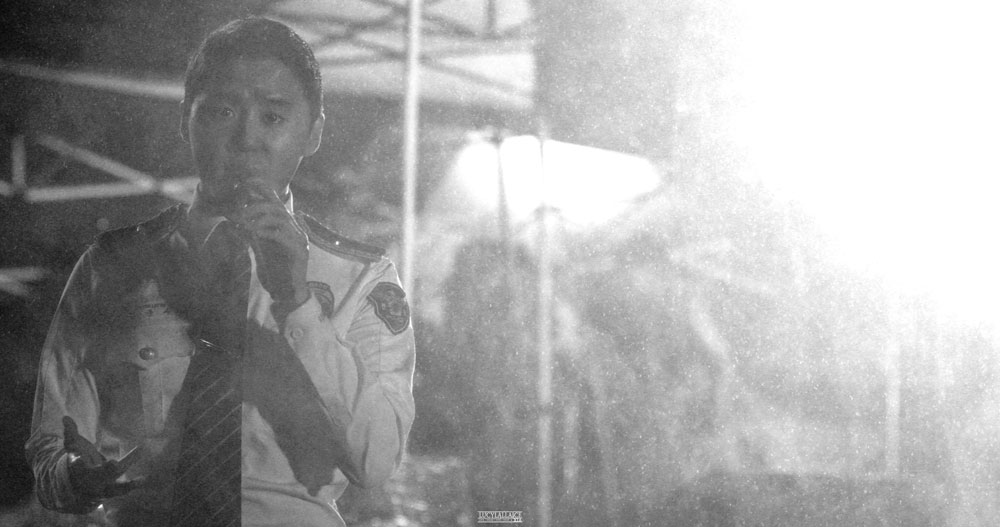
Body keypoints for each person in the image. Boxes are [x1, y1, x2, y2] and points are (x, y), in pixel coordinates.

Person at [26, 17, 415, 527]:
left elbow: (376, 462)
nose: (247, 138)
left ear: (314, 132)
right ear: (184, 121)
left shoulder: (360, 280)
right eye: (223, 111)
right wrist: (74, 477)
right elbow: (52, 446)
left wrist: (298, 303)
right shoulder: (113, 266)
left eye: (273, 117)